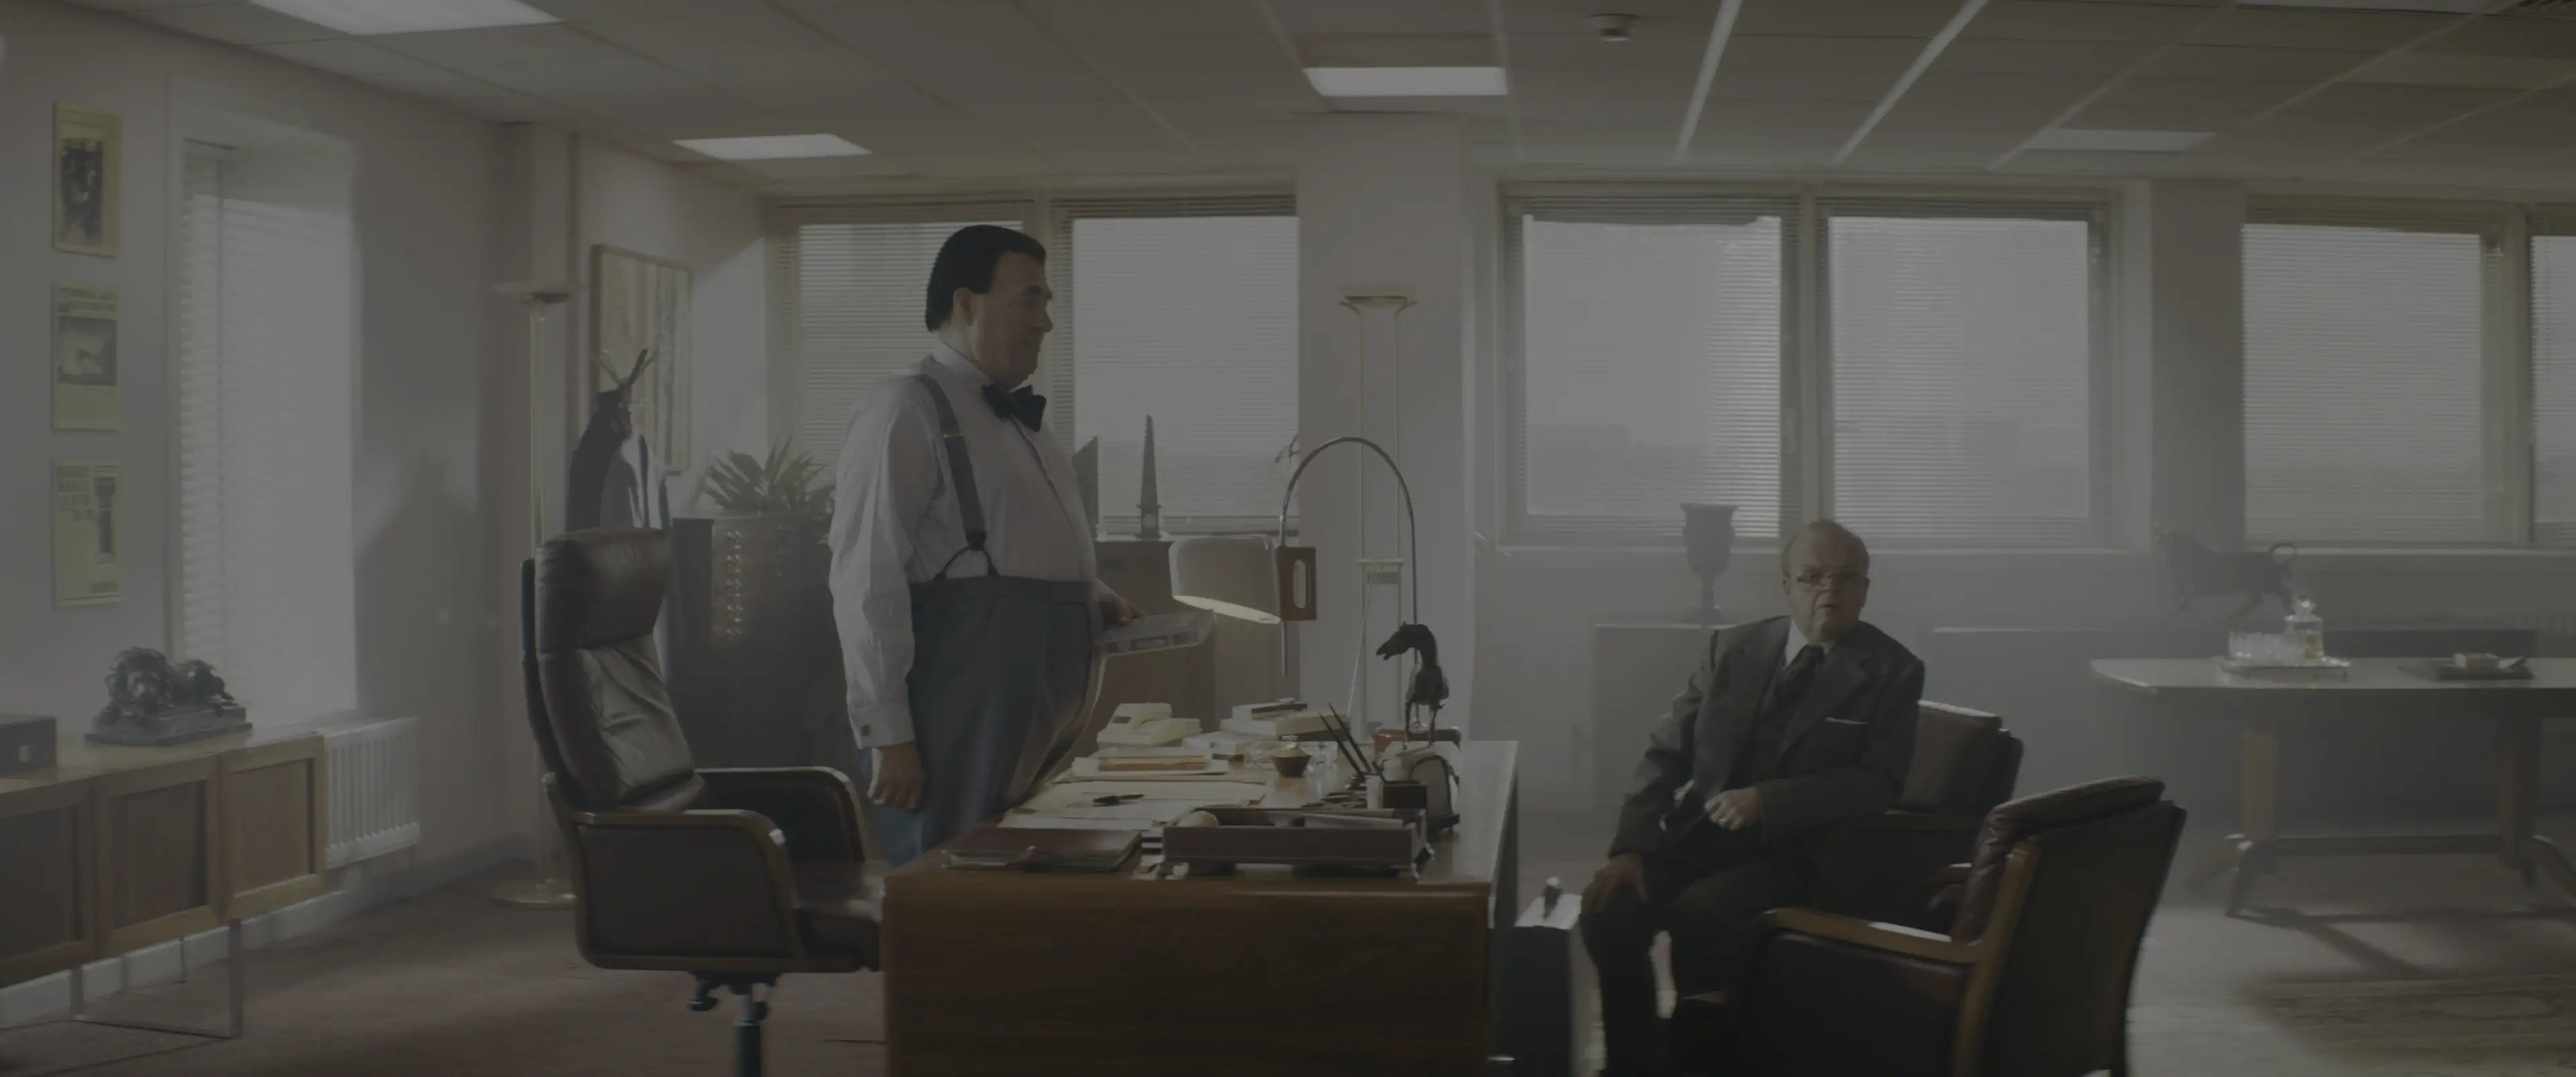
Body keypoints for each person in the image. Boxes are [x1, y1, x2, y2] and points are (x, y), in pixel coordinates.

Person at [828, 224, 1137, 866]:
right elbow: (866, 575)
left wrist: (1091, 594)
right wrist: (889, 733)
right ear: (966, 305)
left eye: (1047, 301)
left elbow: (1003, 540)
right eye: (1030, 300)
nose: (1045, 321)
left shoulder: (1016, 418)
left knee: (1007, 876)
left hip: (1029, 702)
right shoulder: (905, 406)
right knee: (948, 876)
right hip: (961, 696)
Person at [1581, 519, 1923, 1077]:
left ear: (1865, 589)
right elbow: (1666, 754)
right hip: (1698, 840)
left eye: (1846, 578)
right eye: (1812, 577)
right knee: (1608, 911)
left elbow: (1879, 781)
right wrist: (1631, 848)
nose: (1830, 591)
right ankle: (1636, 1063)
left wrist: (1768, 801)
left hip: (1795, 854)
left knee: (1702, 915)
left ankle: (1701, 1059)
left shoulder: (1894, 669)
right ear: (1786, 585)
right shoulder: (1732, 648)